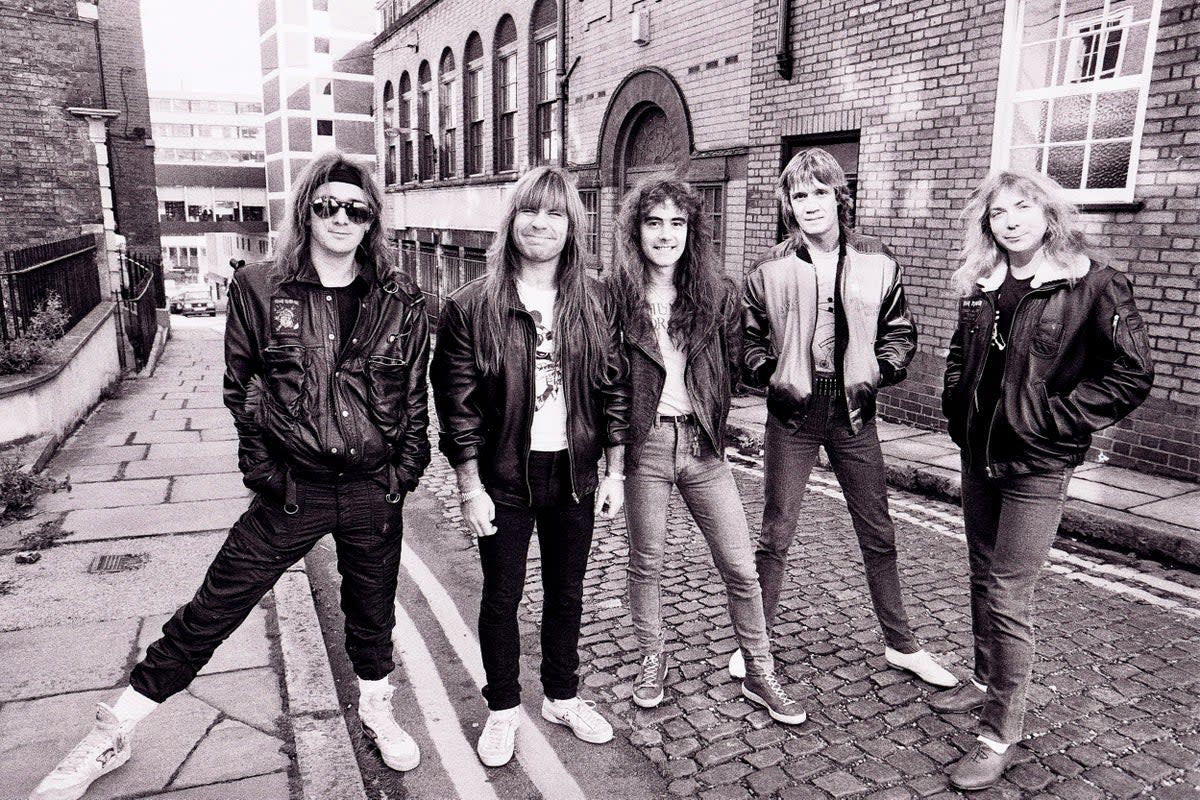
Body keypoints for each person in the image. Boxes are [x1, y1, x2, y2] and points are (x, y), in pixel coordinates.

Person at [31, 152, 431, 800]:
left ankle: (375, 706)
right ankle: (116, 728)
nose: (340, 216)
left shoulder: (400, 297)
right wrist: (267, 475)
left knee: (372, 615)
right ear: (307, 209)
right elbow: (240, 389)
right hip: (292, 492)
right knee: (213, 609)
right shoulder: (261, 288)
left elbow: (414, 396)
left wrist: (404, 472)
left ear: (371, 220)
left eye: (355, 208)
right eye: (327, 203)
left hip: (370, 489)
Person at [937, 169, 1153, 790]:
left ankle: (999, 732)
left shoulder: (1093, 284)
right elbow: (962, 356)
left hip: (1040, 461)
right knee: (981, 572)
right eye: (998, 212)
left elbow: (1132, 374)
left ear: (1048, 213)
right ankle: (983, 682)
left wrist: (1055, 420)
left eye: (1022, 207)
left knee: (1008, 592)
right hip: (980, 453)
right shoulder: (982, 284)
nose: (1009, 220)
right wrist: (958, 411)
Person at [734, 147, 957, 689]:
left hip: (854, 412)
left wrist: (877, 372)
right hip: (794, 414)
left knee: (877, 529)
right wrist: (776, 376)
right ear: (788, 204)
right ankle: (755, 647)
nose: (809, 204)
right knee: (776, 532)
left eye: (819, 192)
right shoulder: (769, 267)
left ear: (840, 196)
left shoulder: (878, 260)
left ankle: (902, 644)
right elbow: (747, 341)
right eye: (799, 195)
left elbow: (900, 332)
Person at [430, 166, 630, 768]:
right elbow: (457, 407)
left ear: (572, 226)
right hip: (504, 478)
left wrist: (615, 472)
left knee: (568, 595)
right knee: (502, 598)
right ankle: (503, 709)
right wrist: (470, 486)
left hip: (574, 472)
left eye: (555, 214)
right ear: (511, 219)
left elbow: (614, 390)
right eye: (530, 211)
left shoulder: (594, 301)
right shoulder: (470, 306)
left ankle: (562, 697)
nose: (540, 224)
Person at [610, 178, 806, 724]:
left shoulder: (717, 294)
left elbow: (743, 362)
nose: (666, 234)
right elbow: (607, 382)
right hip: (645, 445)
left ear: (691, 229)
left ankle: (759, 670)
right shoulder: (616, 295)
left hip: (703, 446)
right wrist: (612, 461)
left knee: (741, 568)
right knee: (646, 563)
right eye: (654, 222)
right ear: (636, 230)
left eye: (677, 222)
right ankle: (653, 657)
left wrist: (793, 346)